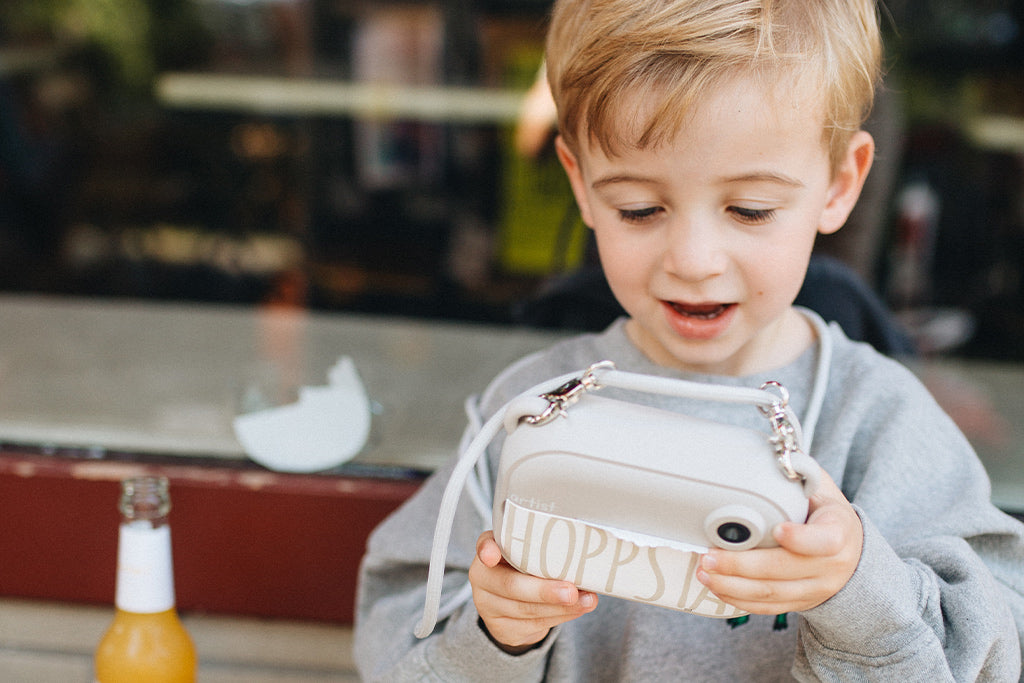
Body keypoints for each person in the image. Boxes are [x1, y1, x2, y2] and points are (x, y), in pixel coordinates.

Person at [354, 0, 1024, 679]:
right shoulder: (532, 406)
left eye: (750, 209)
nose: (694, 258)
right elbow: (396, 640)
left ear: (840, 183)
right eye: (639, 209)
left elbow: (999, 649)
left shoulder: (878, 419)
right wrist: (498, 635)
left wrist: (858, 587)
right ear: (580, 184)